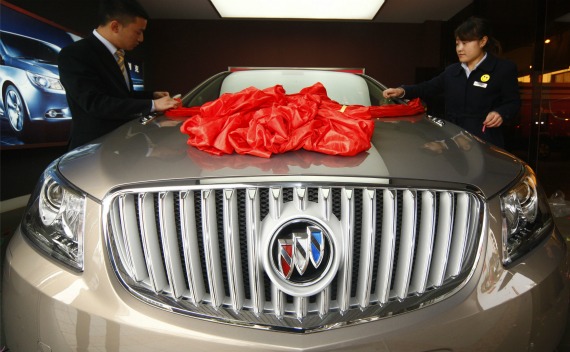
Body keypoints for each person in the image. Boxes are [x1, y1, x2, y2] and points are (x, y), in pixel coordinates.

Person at [58, 0, 179, 149]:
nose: (141, 39)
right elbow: (95, 103)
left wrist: (151, 95)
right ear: (115, 26)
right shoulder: (75, 54)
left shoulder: (119, 54)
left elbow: (119, 96)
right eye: (138, 32)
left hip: (120, 145)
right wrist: (153, 105)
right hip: (92, 149)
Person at [382, 17, 521, 148]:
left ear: (483, 41)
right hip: (453, 141)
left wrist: (501, 113)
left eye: (465, 43)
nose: (459, 49)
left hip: (485, 142)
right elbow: (428, 87)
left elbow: (513, 102)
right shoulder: (452, 71)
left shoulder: (502, 69)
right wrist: (402, 91)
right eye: (457, 43)